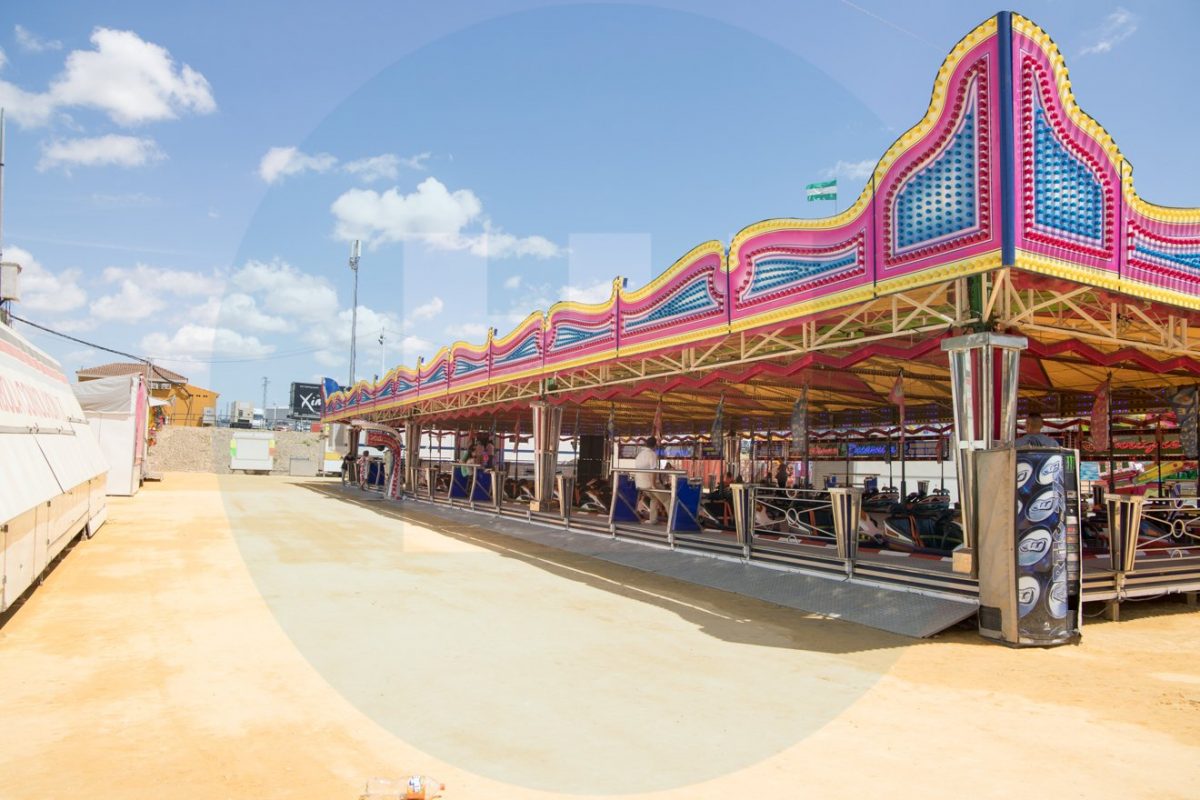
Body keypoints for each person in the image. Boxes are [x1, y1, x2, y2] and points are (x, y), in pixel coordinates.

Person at [634, 436, 664, 524]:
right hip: (649, 483)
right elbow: (653, 471)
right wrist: (653, 485)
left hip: (640, 484)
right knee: (668, 500)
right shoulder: (652, 454)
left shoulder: (640, 454)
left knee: (654, 499)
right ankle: (673, 523)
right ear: (655, 446)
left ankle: (653, 520)